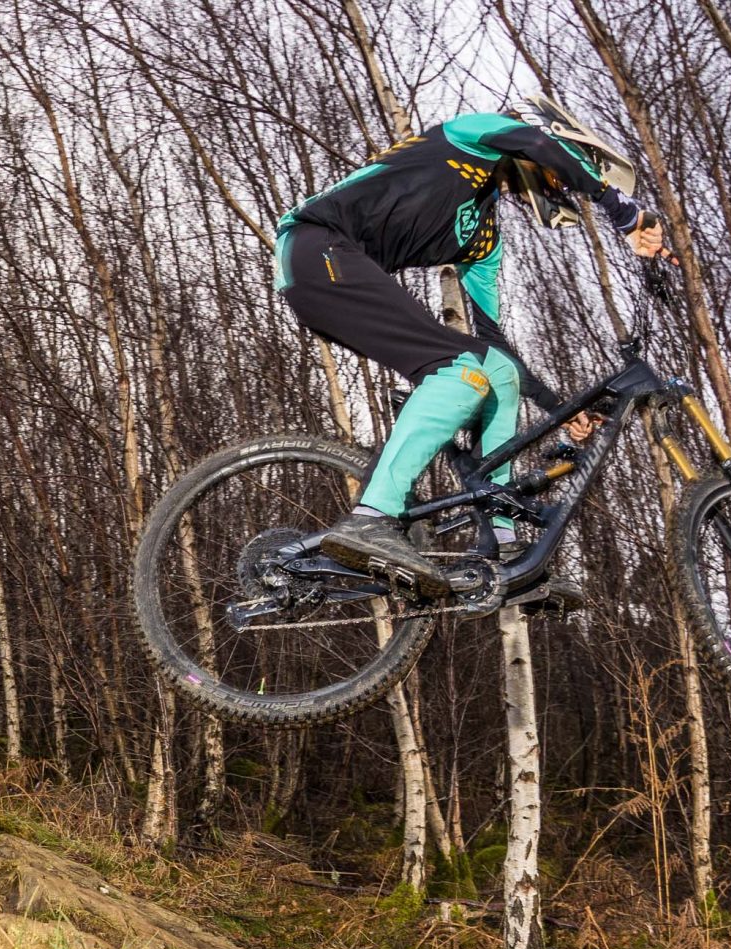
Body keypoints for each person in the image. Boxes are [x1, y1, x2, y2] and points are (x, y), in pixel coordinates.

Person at [274, 101, 669, 599]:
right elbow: (536, 143)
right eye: (559, 178)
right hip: (316, 249)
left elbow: (494, 338)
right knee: (461, 372)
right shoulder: (472, 134)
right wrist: (620, 208)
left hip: (335, 274)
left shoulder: (483, 240)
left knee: (495, 369)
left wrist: (557, 408)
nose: (559, 189)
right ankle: (371, 516)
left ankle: (501, 547)